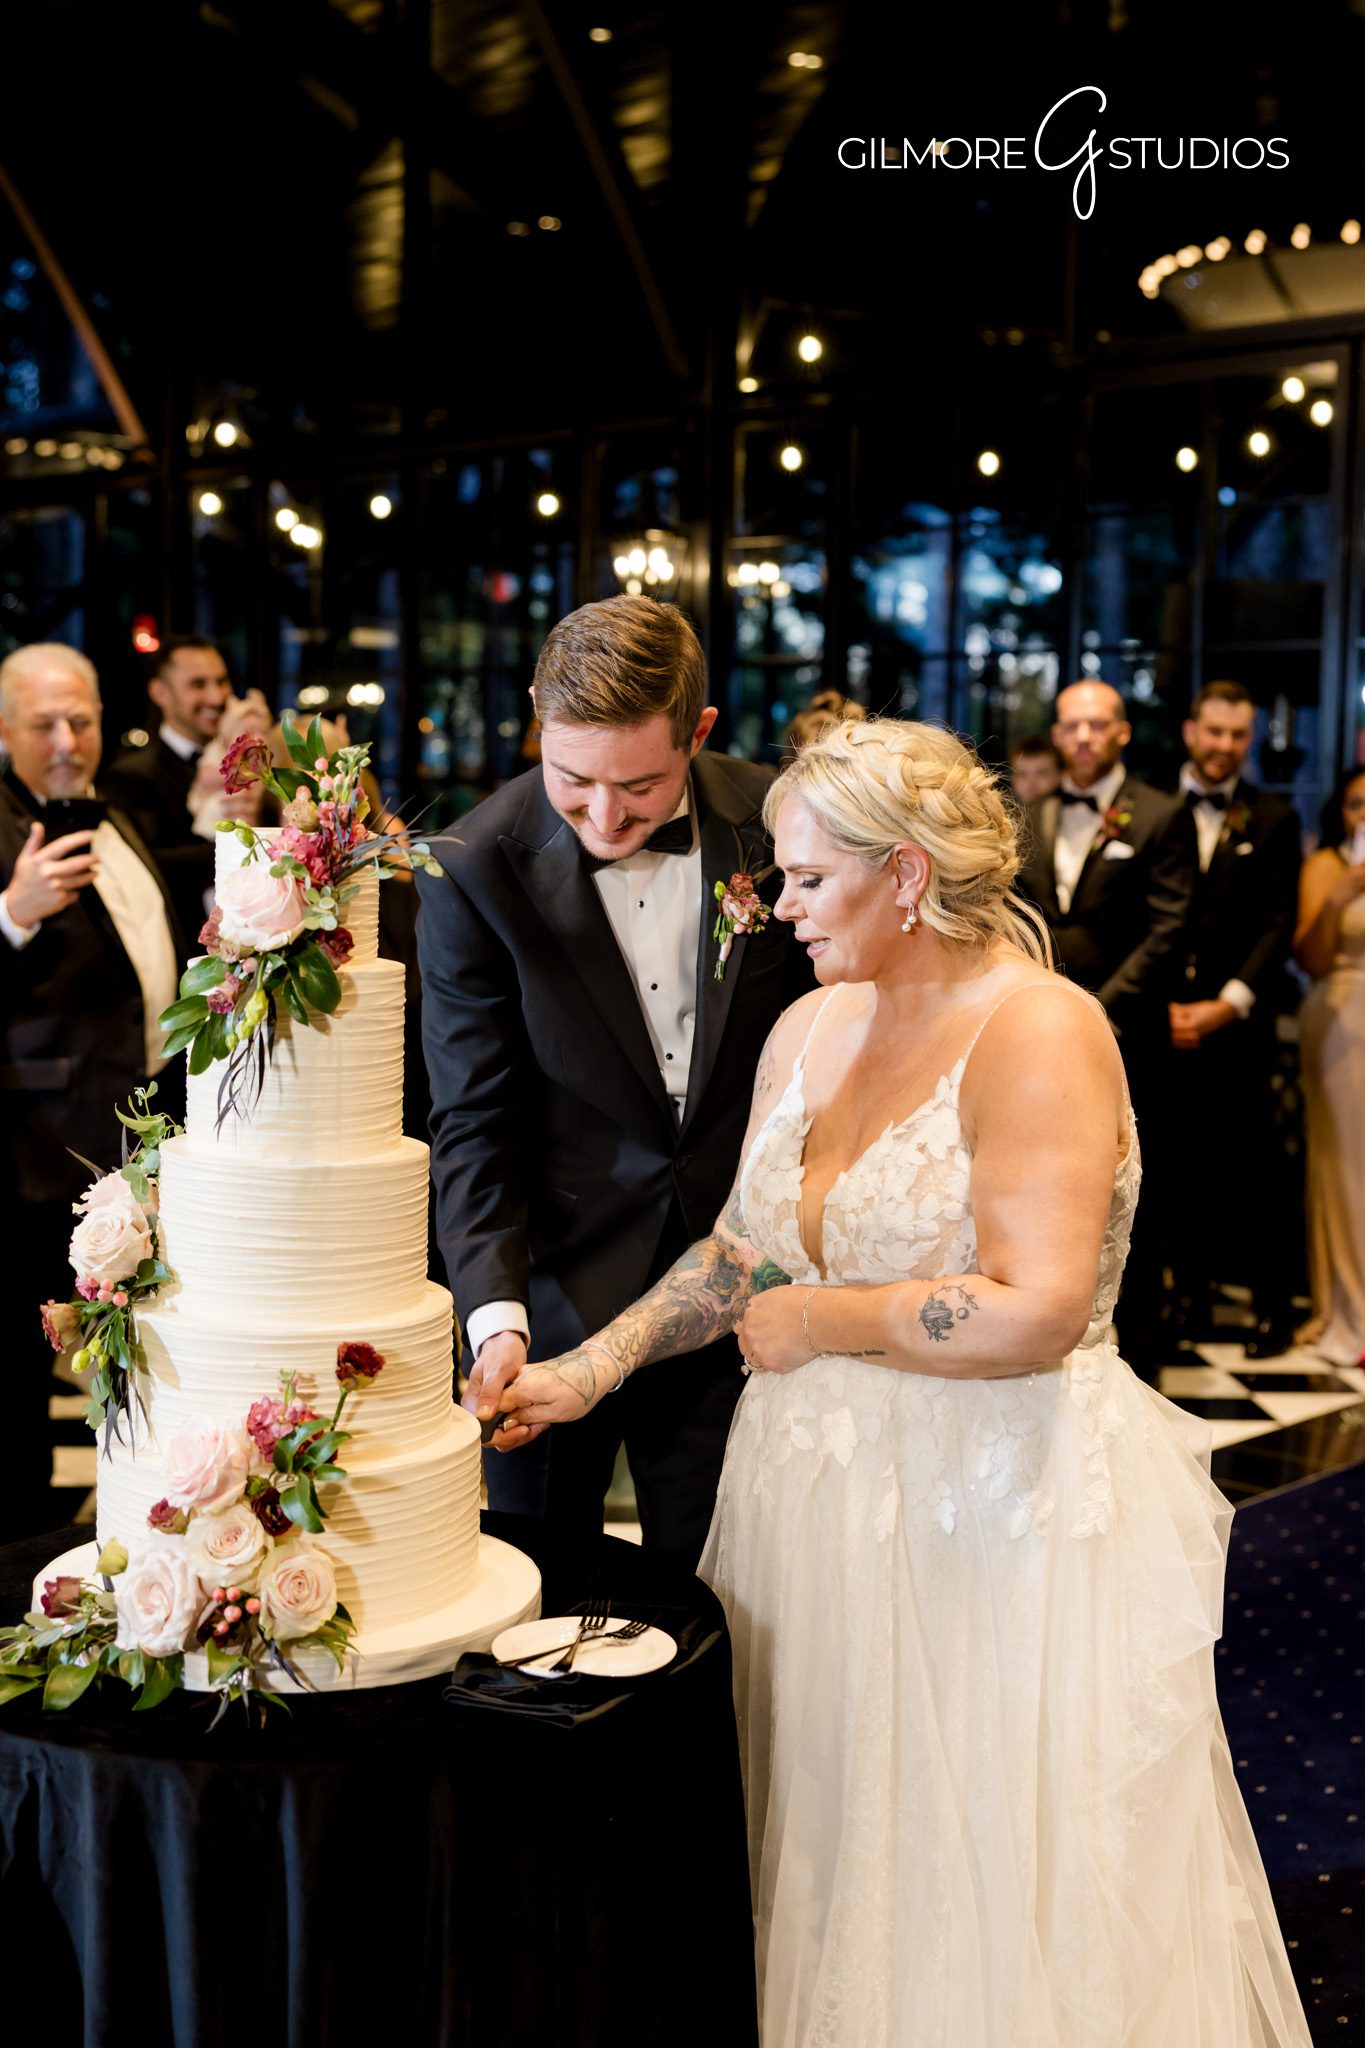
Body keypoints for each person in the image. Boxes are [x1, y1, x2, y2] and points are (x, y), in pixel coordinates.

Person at [497, 717, 1310, 2048]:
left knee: (970, 1860)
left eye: (807, 879)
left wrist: (825, 1318)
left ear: (909, 876)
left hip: (985, 1512)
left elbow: (1038, 1309)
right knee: (824, 1834)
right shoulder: (810, 1027)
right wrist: (590, 1371)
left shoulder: (1039, 1030)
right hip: (812, 1497)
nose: (777, 906)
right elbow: (742, 1254)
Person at [416, 594, 809, 1560]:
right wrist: (495, 1316)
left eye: (638, 784)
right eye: (571, 777)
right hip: (552, 1296)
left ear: (699, 731)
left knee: (728, 1591)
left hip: (744, 1285)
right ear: (537, 721)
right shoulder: (471, 867)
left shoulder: (777, 827)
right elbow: (473, 1118)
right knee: (540, 1600)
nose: (603, 813)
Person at [0, 643, 183, 1541]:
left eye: (83, 720)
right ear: (5, 731)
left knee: (125, 1366)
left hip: (122, 1145)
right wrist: (10, 914)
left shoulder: (110, 814)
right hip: (28, 1157)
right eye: (45, 724)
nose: (68, 741)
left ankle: (121, 1540)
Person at [1016, 678, 1197, 1375]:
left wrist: (1095, 1012)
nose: (1082, 737)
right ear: (1056, 736)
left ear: (1122, 731)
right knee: (1053, 1185)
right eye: (1070, 726)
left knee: (1133, 1190)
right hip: (1039, 1041)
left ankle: (1144, 1355)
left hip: (1130, 1041)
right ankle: (1058, 1341)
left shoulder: (1158, 814)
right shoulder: (1030, 812)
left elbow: (1168, 930)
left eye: (1097, 725)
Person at [1158, 681, 1302, 1355]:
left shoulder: (1272, 817)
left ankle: (1273, 1310)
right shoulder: (1149, 809)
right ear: (1190, 731)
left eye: (1236, 735)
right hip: (1162, 1020)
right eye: (1213, 731)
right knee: (1177, 1166)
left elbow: (1276, 925)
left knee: (1255, 1169)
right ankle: (1183, 1301)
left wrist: (1226, 1004)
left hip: (1237, 1024)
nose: (1223, 746)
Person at [101, 635, 270, 949]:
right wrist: (247, 851)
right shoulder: (131, 777)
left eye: (221, 682)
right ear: (160, 692)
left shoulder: (251, 764)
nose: (216, 696)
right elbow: (147, 867)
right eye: (198, 684)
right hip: (181, 951)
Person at [1294, 764, 1365, 1368]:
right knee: (1347, 1168)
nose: (1364, 814)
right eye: (1354, 804)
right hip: (1345, 1019)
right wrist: (1342, 896)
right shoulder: (1327, 867)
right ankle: (1352, 1314)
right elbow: (1310, 957)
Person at [1007, 730, 1062, 802]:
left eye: (1041, 773)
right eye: (1022, 774)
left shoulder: (1069, 809)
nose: (1031, 782)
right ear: (1012, 779)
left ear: (1058, 777)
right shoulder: (1000, 811)